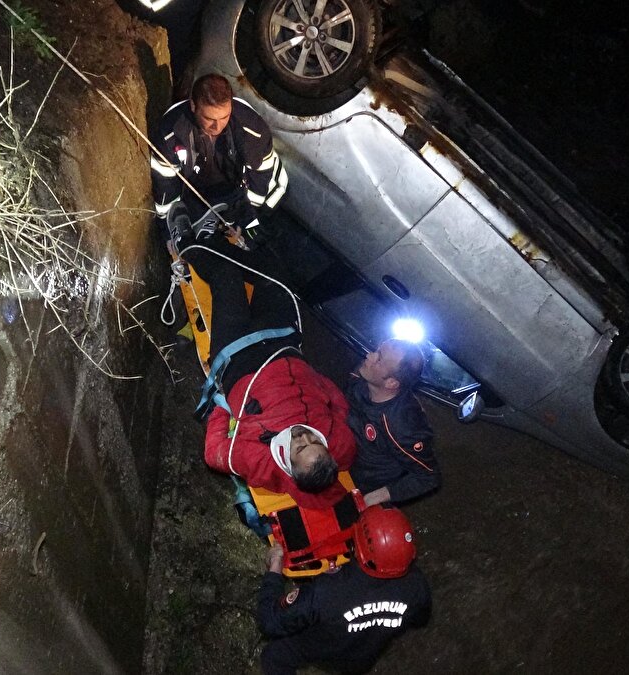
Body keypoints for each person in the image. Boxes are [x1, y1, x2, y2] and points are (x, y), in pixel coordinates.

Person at [190, 235, 354, 509]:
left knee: (227, 277)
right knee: (275, 276)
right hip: (283, 343)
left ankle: (187, 241)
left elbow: (213, 453)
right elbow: (340, 407)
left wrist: (224, 405)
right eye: (315, 440)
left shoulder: (260, 462)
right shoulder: (342, 446)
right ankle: (227, 238)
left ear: (289, 467)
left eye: (300, 446)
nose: (304, 435)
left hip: (239, 356)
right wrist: (316, 381)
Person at [256, 504, 432, 674]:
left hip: (325, 647)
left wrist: (274, 570)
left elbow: (270, 622)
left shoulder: (327, 589)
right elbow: (420, 619)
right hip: (363, 658)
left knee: (275, 656)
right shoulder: (417, 587)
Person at [150, 73, 287, 253]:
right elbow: (165, 184)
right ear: (193, 106)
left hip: (243, 187)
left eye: (224, 117)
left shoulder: (252, 128)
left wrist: (248, 214)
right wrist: (167, 227)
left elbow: (262, 174)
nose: (217, 127)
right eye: (209, 119)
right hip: (198, 189)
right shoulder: (170, 132)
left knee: (259, 232)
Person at [346, 339, 441, 506]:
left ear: (391, 383)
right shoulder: (362, 375)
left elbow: (428, 477)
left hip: (364, 484)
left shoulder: (403, 426)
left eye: (379, 359)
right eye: (376, 350)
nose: (369, 356)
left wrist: (371, 498)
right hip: (343, 458)